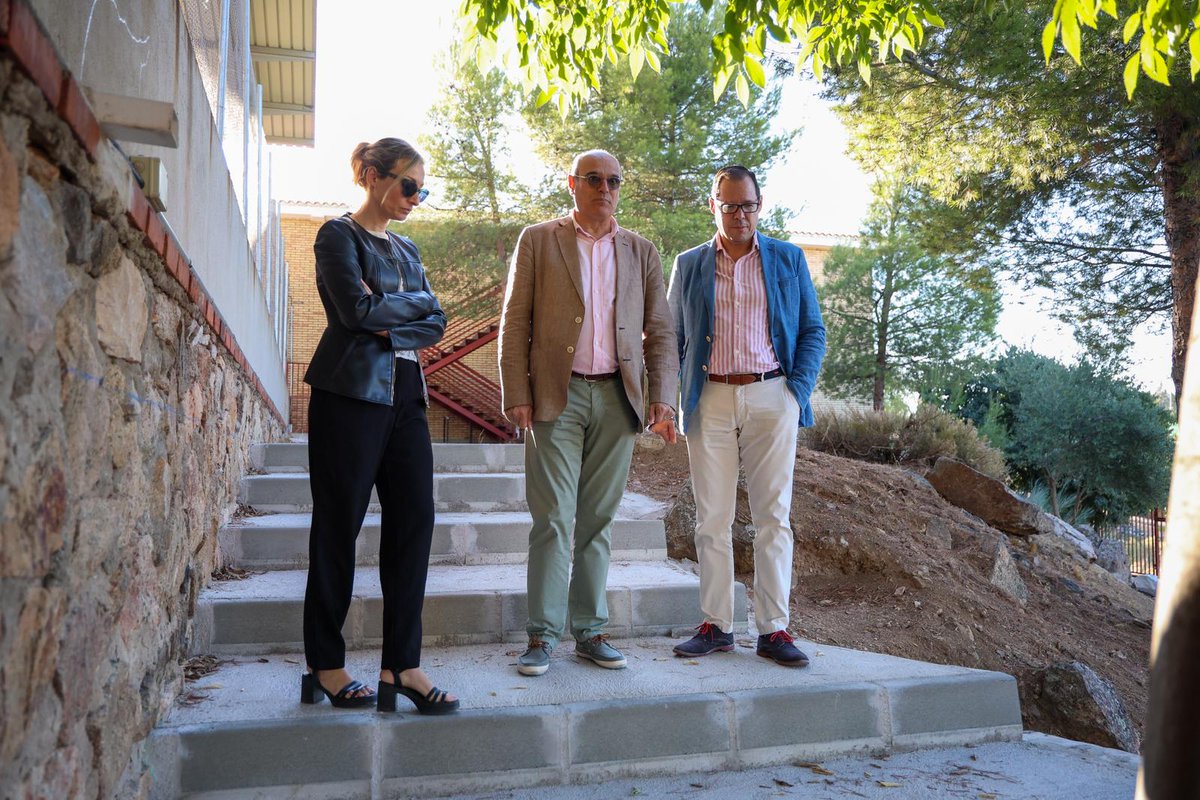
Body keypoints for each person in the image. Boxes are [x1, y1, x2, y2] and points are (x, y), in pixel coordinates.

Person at [498, 149, 678, 676]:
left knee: (598, 521)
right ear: (572, 184)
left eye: (614, 180)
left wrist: (661, 396)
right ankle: (541, 635)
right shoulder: (538, 239)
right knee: (552, 518)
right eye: (594, 179)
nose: (606, 188)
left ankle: (590, 631)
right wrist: (517, 392)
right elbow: (515, 322)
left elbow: (661, 331)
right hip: (557, 393)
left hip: (619, 398)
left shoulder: (641, 251)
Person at [300, 137, 459, 714]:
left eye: (422, 188)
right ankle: (325, 663)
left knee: (415, 523)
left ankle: (402, 666)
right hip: (350, 396)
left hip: (407, 400)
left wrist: (396, 318)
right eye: (407, 185)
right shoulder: (336, 236)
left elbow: (436, 320)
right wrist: (406, 309)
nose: (415, 197)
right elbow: (353, 312)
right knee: (338, 526)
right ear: (371, 175)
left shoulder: (408, 251)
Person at [667, 165, 826, 667]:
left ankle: (774, 629)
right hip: (708, 398)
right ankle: (716, 624)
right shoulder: (689, 263)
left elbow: (812, 331)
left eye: (748, 205)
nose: (740, 215)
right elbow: (672, 338)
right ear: (712, 205)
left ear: (761, 205)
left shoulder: (787, 259)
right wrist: (669, 398)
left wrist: (795, 392)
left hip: (770, 394)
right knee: (712, 517)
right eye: (730, 205)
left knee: (772, 517)